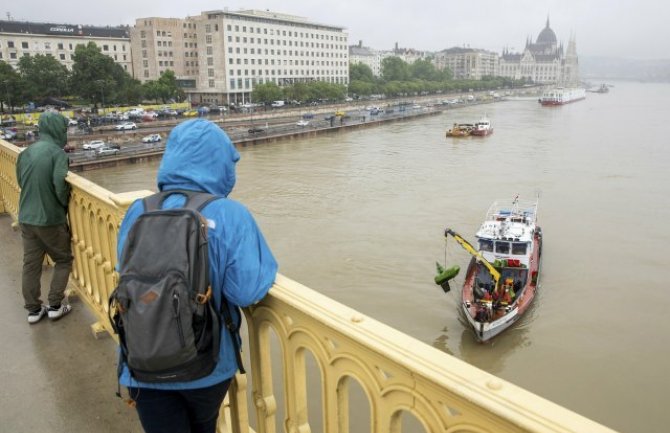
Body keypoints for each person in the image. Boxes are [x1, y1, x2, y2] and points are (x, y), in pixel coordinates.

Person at [115, 119, 278, 433]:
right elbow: (247, 291)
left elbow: (126, 274)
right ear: (221, 162)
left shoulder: (138, 210)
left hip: (140, 360)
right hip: (206, 366)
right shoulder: (230, 214)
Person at [16, 111, 73, 324]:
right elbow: (60, 186)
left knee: (30, 264)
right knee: (63, 260)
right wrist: (64, 204)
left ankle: (33, 310)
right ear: (58, 129)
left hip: (26, 217)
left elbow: (21, 180)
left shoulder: (26, 152)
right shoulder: (58, 154)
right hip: (49, 218)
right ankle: (55, 305)